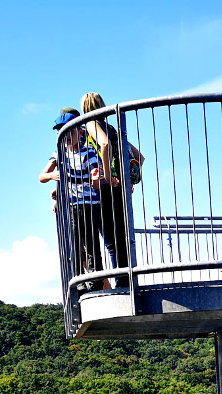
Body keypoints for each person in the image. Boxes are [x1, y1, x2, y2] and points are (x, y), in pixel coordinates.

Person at [80, 92, 144, 289]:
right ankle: (126, 281)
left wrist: (107, 177)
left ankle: (120, 283)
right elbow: (140, 157)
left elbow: (104, 144)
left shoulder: (91, 124)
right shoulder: (114, 129)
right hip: (119, 187)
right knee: (121, 236)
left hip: (105, 187)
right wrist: (125, 178)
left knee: (110, 239)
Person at [39, 108, 105, 290]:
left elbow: (94, 173)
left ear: (80, 131)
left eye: (70, 130)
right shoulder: (59, 154)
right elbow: (42, 176)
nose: (67, 135)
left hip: (89, 204)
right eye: (62, 132)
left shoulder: (88, 152)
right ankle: (79, 282)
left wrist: (94, 176)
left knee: (90, 244)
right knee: (74, 245)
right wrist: (54, 176)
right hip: (71, 205)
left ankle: (95, 283)